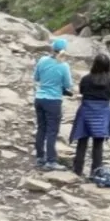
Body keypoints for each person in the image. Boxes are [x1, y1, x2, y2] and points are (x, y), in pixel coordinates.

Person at [70, 53, 110, 186]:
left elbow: (82, 91)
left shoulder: (86, 78)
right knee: (98, 145)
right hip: (102, 112)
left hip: (86, 111)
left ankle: (77, 170)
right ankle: (95, 172)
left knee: (82, 142)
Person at [33, 37, 74, 172]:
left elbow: (36, 78)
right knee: (52, 131)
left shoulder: (43, 60)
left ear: (52, 48)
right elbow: (68, 85)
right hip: (53, 100)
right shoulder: (63, 65)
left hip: (39, 98)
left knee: (41, 128)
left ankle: (40, 157)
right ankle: (51, 160)